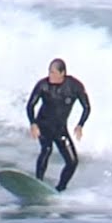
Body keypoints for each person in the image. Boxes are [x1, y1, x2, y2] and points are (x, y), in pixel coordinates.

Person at [25, 58, 91, 191]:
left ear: (63, 73)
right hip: (43, 125)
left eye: (53, 73)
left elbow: (86, 107)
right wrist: (33, 124)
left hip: (60, 129)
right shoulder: (43, 85)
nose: (50, 76)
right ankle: (38, 183)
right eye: (49, 72)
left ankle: (60, 188)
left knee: (72, 162)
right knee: (46, 149)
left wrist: (80, 125)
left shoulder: (74, 86)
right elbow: (30, 105)